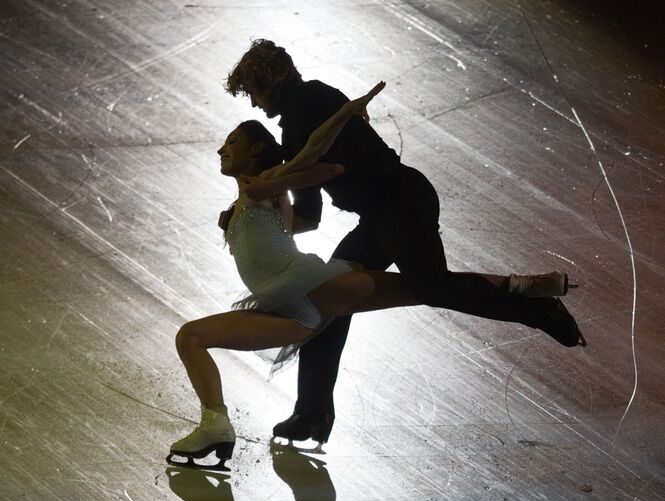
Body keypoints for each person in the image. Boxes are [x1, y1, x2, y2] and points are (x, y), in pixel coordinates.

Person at [169, 81, 580, 467]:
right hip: (312, 280)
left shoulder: (283, 151)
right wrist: (243, 224)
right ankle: (305, 413)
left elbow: (318, 159)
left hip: (395, 208)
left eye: (233, 141)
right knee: (412, 292)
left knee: (429, 287)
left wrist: (343, 115)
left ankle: (530, 298)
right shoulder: (267, 173)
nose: (223, 147)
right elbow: (299, 215)